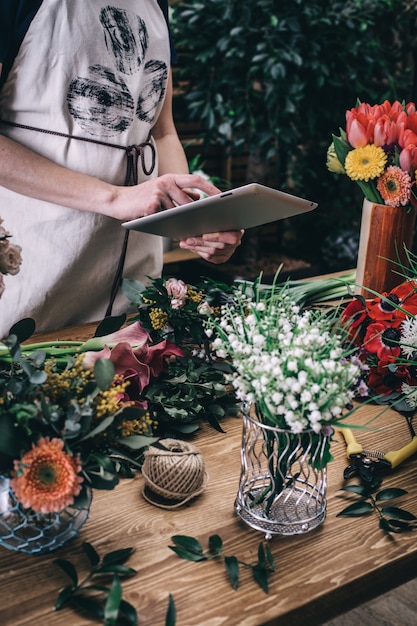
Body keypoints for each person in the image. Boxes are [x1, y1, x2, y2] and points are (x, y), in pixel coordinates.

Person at [0, 0, 243, 338]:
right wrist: (115, 198)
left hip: (134, 272)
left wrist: (194, 219)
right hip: (37, 260)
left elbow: (162, 129)